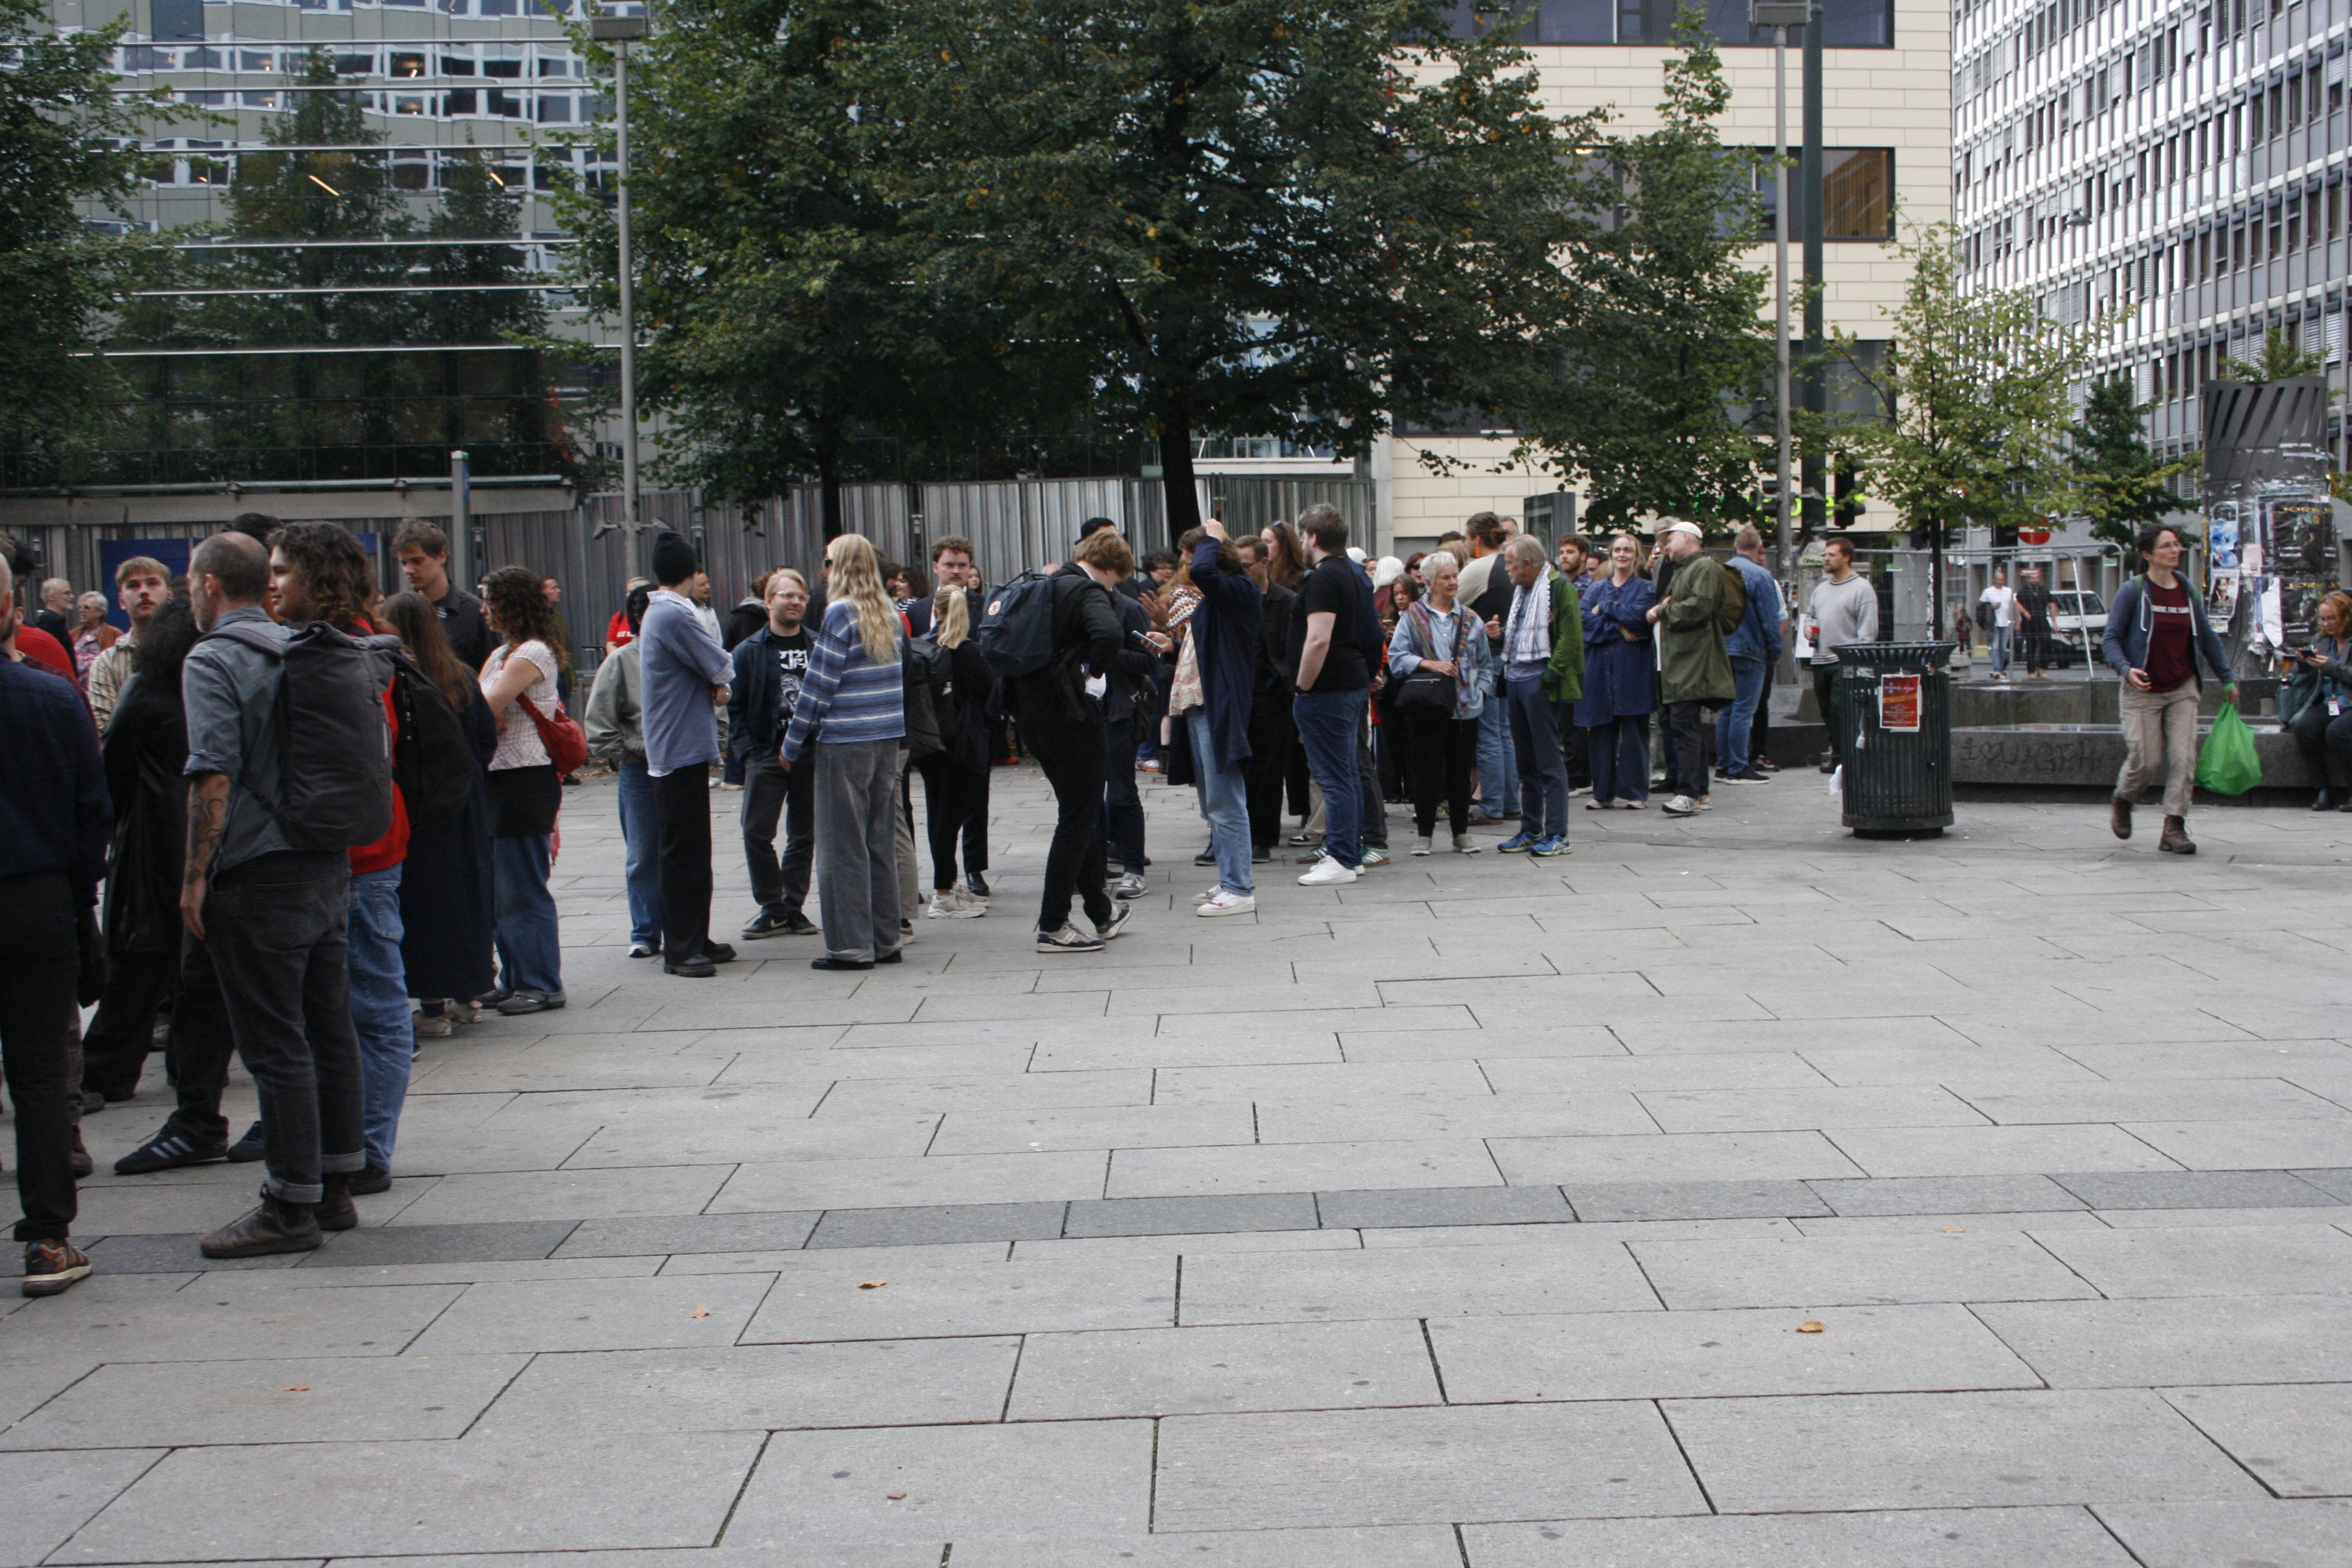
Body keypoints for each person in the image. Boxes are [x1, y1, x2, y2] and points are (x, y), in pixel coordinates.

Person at [179, 530, 373, 1258]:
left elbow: (213, 771)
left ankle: (289, 1206)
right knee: (329, 1030)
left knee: (274, 1043)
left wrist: (194, 875)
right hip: (325, 859)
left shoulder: (214, 658)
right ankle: (336, 1185)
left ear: (208, 584)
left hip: (257, 868)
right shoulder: (302, 645)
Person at [270, 523, 413, 1198]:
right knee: (343, 1010)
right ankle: (348, 1143)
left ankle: (365, 1148)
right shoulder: (346, 644)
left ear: (317, 578)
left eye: (282, 572)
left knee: (372, 1007)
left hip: (359, 855)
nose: (272, 584)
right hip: (355, 850)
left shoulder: (348, 653)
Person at [0, 553, 109, 1295]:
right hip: (35, 897)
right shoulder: (50, 697)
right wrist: (78, 894)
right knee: (40, 1073)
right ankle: (47, 1238)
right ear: (13, 608)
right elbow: (90, 810)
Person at [81, 599, 198, 1103]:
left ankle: (106, 1072)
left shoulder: (146, 688)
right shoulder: (212, 685)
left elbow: (113, 766)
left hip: (151, 842)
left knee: (138, 968)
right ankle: (193, 1068)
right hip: (205, 837)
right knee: (196, 969)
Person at [782, 534, 908, 970]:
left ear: (840, 566)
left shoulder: (840, 612)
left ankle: (850, 946)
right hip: (886, 738)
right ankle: (885, 939)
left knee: (842, 847)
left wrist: (793, 743)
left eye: (827, 561)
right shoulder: (888, 612)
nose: (823, 569)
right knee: (878, 842)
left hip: (845, 741)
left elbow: (818, 686)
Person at [1010, 527, 1135, 951]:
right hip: (1073, 717)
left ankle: (1101, 912)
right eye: (1117, 580)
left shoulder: (1044, 586)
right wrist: (1092, 672)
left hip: (1034, 718)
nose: (1114, 588)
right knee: (1078, 821)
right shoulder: (1087, 590)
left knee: (1077, 812)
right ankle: (1053, 924)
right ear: (1111, 567)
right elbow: (1109, 634)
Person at [380, 591, 497, 1039]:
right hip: (467, 804)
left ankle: (432, 1007)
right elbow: (486, 739)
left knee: (424, 904)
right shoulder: (461, 675)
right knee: (467, 898)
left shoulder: (397, 676)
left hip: (420, 808)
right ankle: (469, 996)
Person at [2102, 523, 2236, 855]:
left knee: (2183, 758)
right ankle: (2124, 798)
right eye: (2167, 546)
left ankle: (2174, 826)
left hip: (2182, 686)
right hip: (2143, 689)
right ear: (2148, 554)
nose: (2175, 550)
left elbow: (2207, 637)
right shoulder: (2133, 591)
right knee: (2146, 760)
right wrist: (2126, 670)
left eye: (2177, 544)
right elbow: (2111, 639)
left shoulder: (2186, 590)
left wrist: (2227, 679)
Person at [636, 532, 736, 976]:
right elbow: (721, 663)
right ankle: (681, 947)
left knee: (692, 849)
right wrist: (718, 681)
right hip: (678, 748)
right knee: (683, 853)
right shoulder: (675, 615)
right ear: (693, 572)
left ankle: (695, 935)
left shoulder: (661, 612)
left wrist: (714, 681)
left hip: (679, 745)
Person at [478, 565, 569, 1013]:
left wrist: (488, 712)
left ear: (512, 604)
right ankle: (515, 978)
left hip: (524, 780)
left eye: (490, 600)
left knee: (522, 889)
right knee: (501, 890)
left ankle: (541, 982)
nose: (484, 609)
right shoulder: (501, 654)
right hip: (499, 779)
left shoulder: (533, 653)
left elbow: (484, 706)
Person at [1289, 503, 1384, 886]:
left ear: (1313, 537)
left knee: (1334, 776)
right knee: (1347, 773)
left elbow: (1318, 639)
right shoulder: (1356, 574)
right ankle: (1350, 854)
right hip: (1350, 683)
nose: (1301, 542)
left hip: (1327, 687)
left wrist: (1302, 686)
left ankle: (1342, 857)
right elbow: (1373, 632)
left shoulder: (1325, 577)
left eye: (1302, 536)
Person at [1171, 523, 1262, 915]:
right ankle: (1229, 878)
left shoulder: (1239, 589)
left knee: (1226, 802)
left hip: (1218, 707)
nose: (1188, 566)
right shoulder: (1222, 596)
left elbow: (1204, 572)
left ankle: (1239, 888)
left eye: (1190, 556)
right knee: (1214, 804)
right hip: (1200, 705)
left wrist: (1212, 536)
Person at [727, 569, 819, 939]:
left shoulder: (818, 646)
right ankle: (771, 906)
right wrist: (749, 752)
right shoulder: (748, 651)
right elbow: (735, 708)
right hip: (766, 751)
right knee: (756, 831)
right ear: (768, 602)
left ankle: (792, 906)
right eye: (787, 595)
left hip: (811, 754)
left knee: (804, 834)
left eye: (800, 596)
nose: (795, 602)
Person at [1388, 549, 1489, 855]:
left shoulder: (1471, 618)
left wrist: (1481, 693)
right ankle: (1425, 835)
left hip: (1464, 708)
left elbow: (1485, 663)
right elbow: (1396, 658)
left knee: (1460, 772)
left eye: (1455, 575)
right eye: (1446, 577)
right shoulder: (1412, 617)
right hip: (1428, 707)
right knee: (1426, 771)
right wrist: (1428, 664)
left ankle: (1461, 833)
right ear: (1429, 582)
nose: (1453, 582)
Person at [1492, 534, 1584, 854]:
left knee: (1548, 761)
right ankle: (1531, 829)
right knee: (1526, 763)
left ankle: (1557, 834)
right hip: (1515, 679)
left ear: (1528, 563)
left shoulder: (1559, 587)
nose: (1507, 569)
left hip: (1538, 683)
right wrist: (1500, 634)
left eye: (1510, 563)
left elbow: (1571, 638)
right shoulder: (1522, 590)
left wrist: (1550, 677)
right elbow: (1521, 633)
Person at [913, 585, 999, 918]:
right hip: (962, 743)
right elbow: (993, 693)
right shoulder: (969, 651)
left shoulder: (922, 646)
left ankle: (947, 884)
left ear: (935, 611)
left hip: (928, 742)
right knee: (952, 819)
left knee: (938, 815)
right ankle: (944, 894)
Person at [586, 584, 662, 954]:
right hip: (640, 770)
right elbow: (599, 726)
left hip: (683, 767)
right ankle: (645, 932)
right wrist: (633, 749)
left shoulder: (687, 655)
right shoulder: (620, 662)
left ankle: (686, 927)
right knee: (643, 853)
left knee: (686, 852)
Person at [1647, 521, 1734, 817]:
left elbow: (1700, 606)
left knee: (1684, 726)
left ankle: (1688, 793)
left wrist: (1663, 611)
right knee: (1683, 726)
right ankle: (1698, 791)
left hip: (1690, 663)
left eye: (1670, 539)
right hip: (1679, 662)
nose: (1666, 546)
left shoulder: (1703, 568)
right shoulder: (1685, 569)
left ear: (1687, 537)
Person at [1576, 534, 1659, 810]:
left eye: (1628, 550)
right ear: (1611, 554)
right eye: (1618, 550)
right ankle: (1602, 793)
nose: (1622, 555)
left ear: (1636, 556)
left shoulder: (1646, 589)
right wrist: (1618, 627)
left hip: (1632, 668)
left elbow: (1640, 620)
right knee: (1600, 731)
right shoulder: (1596, 588)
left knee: (1634, 731)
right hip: (1599, 669)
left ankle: (1635, 793)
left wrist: (1607, 609)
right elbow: (1584, 622)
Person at [929, 537, 993, 896]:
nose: (956, 571)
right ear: (936, 566)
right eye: (950, 564)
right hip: (932, 727)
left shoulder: (986, 607)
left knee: (974, 802)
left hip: (971, 723)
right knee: (937, 805)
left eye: (963, 565)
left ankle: (972, 869)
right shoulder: (916, 610)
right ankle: (943, 877)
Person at [1455, 513, 1518, 823]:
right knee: (1504, 734)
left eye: (1468, 538)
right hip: (1508, 656)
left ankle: (1492, 805)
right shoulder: (1509, 565)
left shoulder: (1480, 568)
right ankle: (1510, 803)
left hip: (1486, 659)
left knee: (1488, 735)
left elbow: (1447, 602)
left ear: (1477, 539)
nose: (1466, 544)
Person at [1716, 525, 1784, 784]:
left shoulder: (1721, 572)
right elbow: (1770, 619)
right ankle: (1738, 766)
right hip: (1751, 648)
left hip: (1723, 647)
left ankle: (1723, 765)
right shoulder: (1761, 576)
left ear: (1735, 546)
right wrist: (1775, 651)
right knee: (1744, 709)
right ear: (1759, 548)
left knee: (1726, 709)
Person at [1807, 537, 1878, 774]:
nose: (1826, 559)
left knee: (1841, 709)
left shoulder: (1862, 588)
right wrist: (1808, 628)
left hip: (1845, 660)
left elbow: (1868, 630)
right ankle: (1838, 755)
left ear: (1846, 557)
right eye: (1825, 555)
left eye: (1832, 555)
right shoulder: (1821, 589)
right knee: (1827, 711)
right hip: (1821, 658)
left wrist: (1859, 662)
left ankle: (1847, 758)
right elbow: (1810, 616)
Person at [392, 521, 491, 673]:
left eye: (417, 561)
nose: (409, 570)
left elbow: (492, 673)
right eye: (404, 563)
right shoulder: (400, 612)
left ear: (442, 556)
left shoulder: (476, 612)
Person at [86, 556, 171, 732]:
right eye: (133, 586)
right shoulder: (106, 663)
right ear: (121, 601)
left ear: (169, 595)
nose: (144, 592)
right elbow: (104, 731)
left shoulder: (192, 650)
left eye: (152, 583)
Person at [2287, 590, 2352, 811]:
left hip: (2350, 703)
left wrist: (2331, 666)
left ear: (2346, 616)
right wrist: (2304, 662)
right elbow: (2300, 674)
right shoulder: (2321, 639)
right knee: (2305, 728)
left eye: (2332, 618)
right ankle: (2323, 789)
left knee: (2337, 732)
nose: (2327, 624)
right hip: (2329, 702)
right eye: (2323, 619)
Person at [2015, 565, 2053, 679]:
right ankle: (2031, 671)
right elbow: (2017, 607)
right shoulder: (2023, 592)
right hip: (2029, 622)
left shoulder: (2044, 591)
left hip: (2042, 621)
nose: (2035, 580)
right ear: (2029, 579)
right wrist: (2018, 623)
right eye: (2032, 578)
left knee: (2046, 644)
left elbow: (2052, 605)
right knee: (2031, 646)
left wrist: (2054, 621)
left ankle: (2042, 667)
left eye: (2037, 578)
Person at [70, 592, 116, 683]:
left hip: (103, 684)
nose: (81, 611)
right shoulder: (73, 633)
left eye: (86, 607)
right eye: (80, 607)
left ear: (100, 612)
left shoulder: (114, 634)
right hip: (76, 686)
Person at [1979, 569, 2015, 678]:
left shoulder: (2009, 591)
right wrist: (1991, 607)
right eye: (1998, 580)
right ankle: (1997, 669)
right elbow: (1980, 605)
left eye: (2002, 580)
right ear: (1994, 580)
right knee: (1994, 646)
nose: (2000, 582)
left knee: (2003, 648)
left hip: (2006, 623)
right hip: (1993, 623)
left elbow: (2015, 604)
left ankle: (2001, 669)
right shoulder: (1988, 591)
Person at [31, 577, 73, 644]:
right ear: (51, 597)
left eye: (71, 593)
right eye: (66, 593)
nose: (72, 596)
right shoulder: (48, 621)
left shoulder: (57, 620)